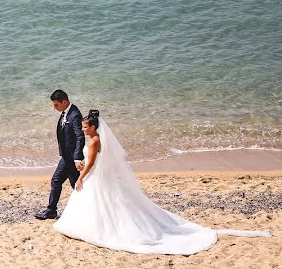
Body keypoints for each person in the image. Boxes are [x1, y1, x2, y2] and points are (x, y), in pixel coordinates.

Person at [53, 110, 269, 254]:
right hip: (99, 176)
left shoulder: (93, 142)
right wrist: (83, 168)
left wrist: (81, 175)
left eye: (85, 127)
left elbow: (91, 164)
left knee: (97, 201)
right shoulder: (97, 140)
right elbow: (95, 162)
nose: (83, 130)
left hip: (94, 177)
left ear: (93, 127)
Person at [35, 89, 85, 220]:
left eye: (56, 104)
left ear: (64, 101)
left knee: (57, 180)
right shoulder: (65, 113)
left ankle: (52, 210)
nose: (54, 107)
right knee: (76, 185)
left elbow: (80, 137)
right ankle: (82, 208)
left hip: (71, 158)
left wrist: (77, 157)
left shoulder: (75, 115)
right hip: (67, 157)